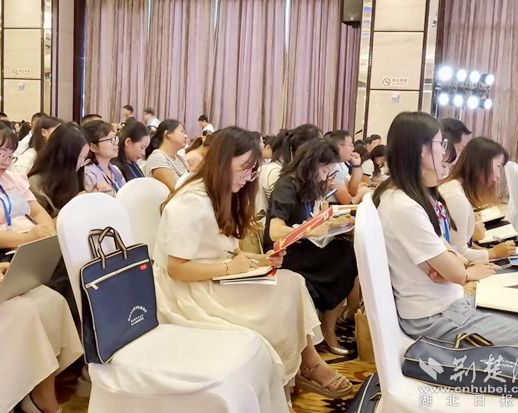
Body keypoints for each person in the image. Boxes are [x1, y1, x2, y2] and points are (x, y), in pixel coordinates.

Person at [153, 126, 352, 405]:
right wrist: (229, 269)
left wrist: (260, 260)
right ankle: (308, 365)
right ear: (223, 161)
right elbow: (177, 269)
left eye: (252, 170)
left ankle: (306, 363)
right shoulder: (190, 202)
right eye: (244, 169)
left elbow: (225, 250)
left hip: (213, 275)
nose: (248, 177)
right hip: (187, 291)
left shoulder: (220, 193)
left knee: (292, 282)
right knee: (283, 291)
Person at [373, 111, 518, 348]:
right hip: (437, 317)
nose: (445, 153)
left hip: (447, 307)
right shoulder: (404, 206)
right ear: (421, 149)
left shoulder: (407, 197)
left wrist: (453, 267)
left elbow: (447, 254)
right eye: (440, 143)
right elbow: (454, 271)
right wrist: (460, 270)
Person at [0, 124, 82, 413]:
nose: (7, 159)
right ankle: (29, 398)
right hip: (3, 253)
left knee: (53, 301)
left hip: (23, 250)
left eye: (10, 153)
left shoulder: (11, 178)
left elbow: (37, 211)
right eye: (0, 152)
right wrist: (27, 238)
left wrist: (45, 232)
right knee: (28, 311)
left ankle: (40, 393)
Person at [265, 139, 360, 355]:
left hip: (303, 245)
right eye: (324, 170)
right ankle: (328, 328)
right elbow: (275, 231)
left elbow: (308, 219)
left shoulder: (305, 184)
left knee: (347, 252)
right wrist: (311, 229)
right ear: (311, 164)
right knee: (344, 258)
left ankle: (328, 325)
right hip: (284, 253)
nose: (325, 176)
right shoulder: (286, 186)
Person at [439, 137, 516, 262]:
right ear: (481, 164)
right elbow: (458, 252)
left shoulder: (456, 190)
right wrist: (493, 253)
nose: (498, 176)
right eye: (498, 166)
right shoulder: (456, 198)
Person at [28, 123, 90, 217]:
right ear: (64, 157)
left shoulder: (76, 174)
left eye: (85, 157)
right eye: (81, 157)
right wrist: (74, 205)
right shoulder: (36, 185)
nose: (82, 163)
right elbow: (41, 223)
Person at [82, 120, 126, 196]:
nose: (116, 143)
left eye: (115, 138)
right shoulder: (88, 174)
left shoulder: (115, 169)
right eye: (111, 139)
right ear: (93, 147)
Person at [324, 130, 368, 204]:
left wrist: (356, 165)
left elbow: (352, 191)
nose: (353, 149)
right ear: (339, 148)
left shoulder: (341, 164)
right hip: (332, 207)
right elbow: (347, 201)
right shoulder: (333, 166)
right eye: (350, 145)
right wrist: (363, 191)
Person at [145, 119, 189, 190]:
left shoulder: (179, 158)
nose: (186, 136)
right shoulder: (157, 158)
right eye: (182, 132)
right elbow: (176, 190)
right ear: (168, 134)